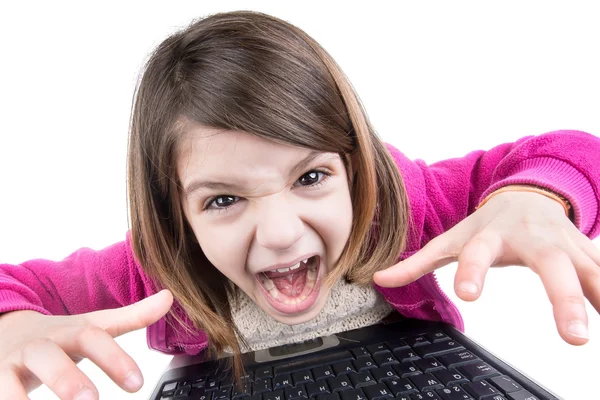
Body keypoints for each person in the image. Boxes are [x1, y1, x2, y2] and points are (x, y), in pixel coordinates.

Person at [1, 9, 599, 400]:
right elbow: (15, 284)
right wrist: (14, 325)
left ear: (354, 167)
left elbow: (573, 151)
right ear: (176, 214)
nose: (282, 233)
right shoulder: (153, 267)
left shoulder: (398, 205)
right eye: (225, 199)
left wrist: (536, 196)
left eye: (311, 176)